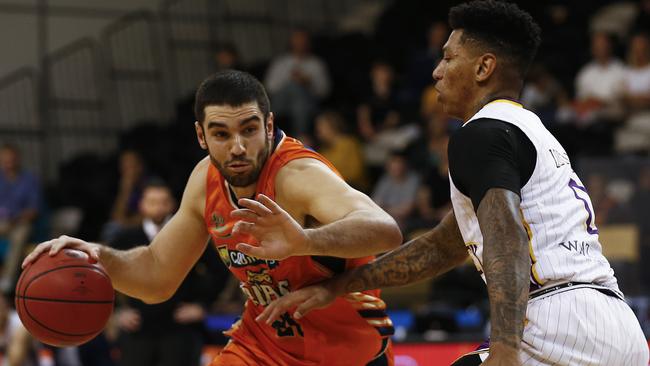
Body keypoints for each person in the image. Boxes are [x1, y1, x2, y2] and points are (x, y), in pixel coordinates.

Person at [257, 1, 650, 365]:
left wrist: (505, 348)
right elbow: (444, 246)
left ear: (483, 68)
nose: (436, 71)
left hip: (557, 325)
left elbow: (506, 235)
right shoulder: (529, 130)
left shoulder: (479, 134)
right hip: (615, 325)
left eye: (448, 57)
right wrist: (338, 286)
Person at [23, 70, 402, 366]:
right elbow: (157, 274)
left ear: (269, 126)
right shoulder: (205, 180)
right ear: (201, 136)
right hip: (261, 347)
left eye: (249, 130)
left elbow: (385, 230)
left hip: (345, 352)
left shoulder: (298, 175)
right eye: (221, 134)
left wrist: (304, 241)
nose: (237, 147)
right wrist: (97, 256)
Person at [110, 180, 223, 366]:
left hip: (179, 328)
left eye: (163, 202)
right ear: (142, 205)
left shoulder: (189, 235)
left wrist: (202, 306)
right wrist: (117, 312)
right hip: (139, 327)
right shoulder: (126, 237)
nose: (158, 207)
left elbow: (220, 271)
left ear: (172, 204)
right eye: (152, 202)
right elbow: (106, 273)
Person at [264, 29, 331, 139]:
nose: (300, 44)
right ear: (291, 42)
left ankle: (298, 136)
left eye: (303, 41)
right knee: (294, 87)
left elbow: (325, 91)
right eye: (297, 40)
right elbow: (270, 87)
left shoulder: (316, 64)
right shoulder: (281, 63)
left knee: (299, 98)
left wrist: (308, 83)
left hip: (308, 102)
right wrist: (291, 81)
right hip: (282, 102)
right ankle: (301, 137)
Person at [0, 144, 41, 292]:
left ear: (18, 159)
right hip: (2, 222)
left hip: (21, 222)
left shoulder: (30, 180)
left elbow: (34, 209)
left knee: (19, 236)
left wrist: (17, 219)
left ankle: (6, 281)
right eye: (5, 160)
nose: (8, 163)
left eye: (11, 160)